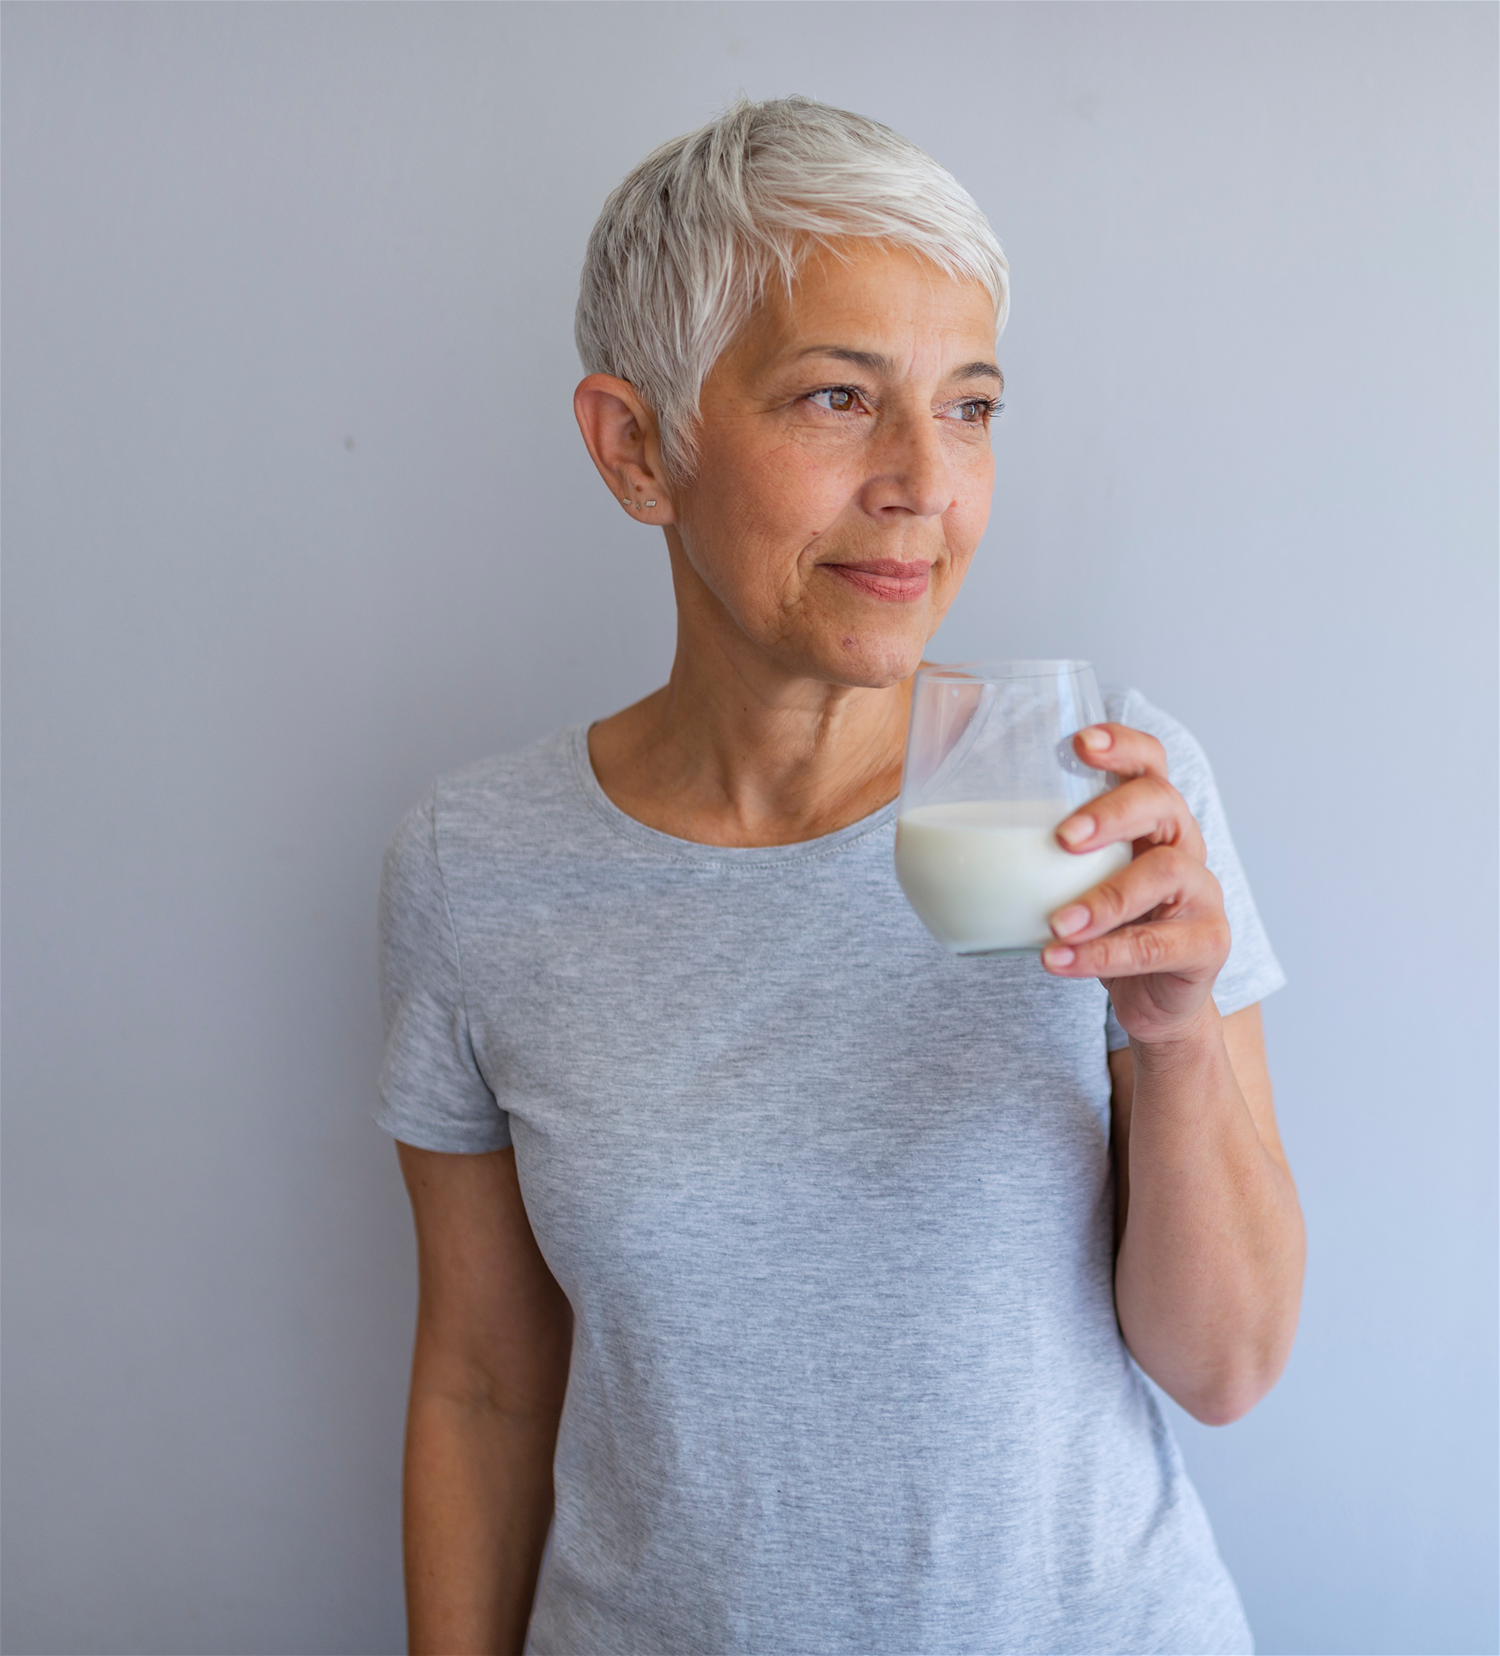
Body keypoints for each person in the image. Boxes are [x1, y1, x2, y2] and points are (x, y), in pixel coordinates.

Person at [378, 96, 1304, 1656]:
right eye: (834, 398)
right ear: (637, 447)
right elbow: (482, 1383)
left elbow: (1224, 1368)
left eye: (971, 407)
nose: (923, 483)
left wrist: (1179, 1033)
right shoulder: (475, 870)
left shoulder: (1101, 791)